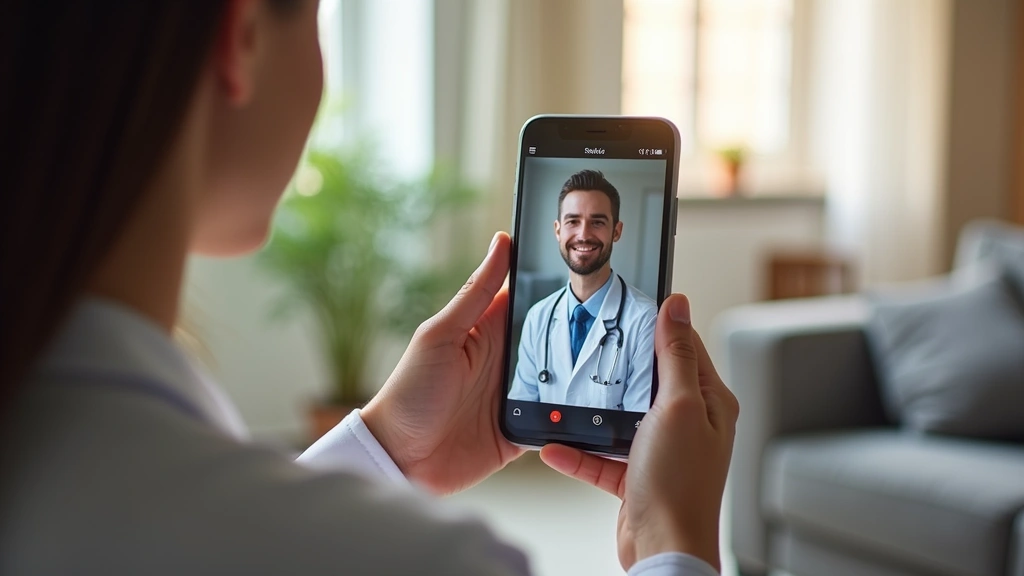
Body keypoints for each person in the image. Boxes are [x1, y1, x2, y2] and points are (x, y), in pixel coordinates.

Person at [0, 2, 739, 576]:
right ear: (241, 37)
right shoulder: (432, 563)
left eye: (597, 221)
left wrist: (388, 445)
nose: (583, 233)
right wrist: (673, 542)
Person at [508, 170, 657, 411]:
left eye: (597, 222)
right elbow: (521, 409)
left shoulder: (646, 320)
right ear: (558, 230)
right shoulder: (537, 317)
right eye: (573, 221)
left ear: (616, 231)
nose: (584, 235)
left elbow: (641, 422)